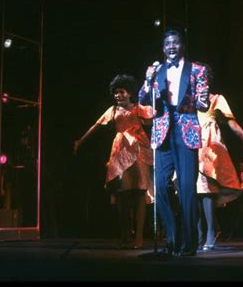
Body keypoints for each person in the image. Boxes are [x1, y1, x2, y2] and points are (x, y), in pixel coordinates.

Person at [139, 29, 209, 257]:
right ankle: (172, 237)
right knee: (160, 185)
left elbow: (203, 103)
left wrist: (195, 98)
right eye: (167, 43)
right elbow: (142, 98)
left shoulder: (197, 69)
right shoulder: (156, 71)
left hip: (186, 130)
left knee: (187, 188)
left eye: (175, 43)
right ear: (162, 48)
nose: (171, 47)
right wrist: (148, 80)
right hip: (162, 132)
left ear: (182, 46)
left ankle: (189, 243)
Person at [74, 74, 153, 249]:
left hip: (139, 150)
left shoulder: (139, 108)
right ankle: (124, 235)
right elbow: (96, 125)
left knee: (140, 192)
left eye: (122, 92)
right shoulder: (113, 110)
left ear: (130, 93)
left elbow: (154, 120)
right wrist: (81, 140)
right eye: (116, 93)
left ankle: (138, 237)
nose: (118, 95)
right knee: (122, 194)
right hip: (121, 152)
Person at [194, 63, 243, 251]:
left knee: (206, 188)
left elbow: (232, 124)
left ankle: (210, 231)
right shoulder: (188, 100)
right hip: (191, 144)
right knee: (194, 191)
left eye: (204, 79)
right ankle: (199, 232)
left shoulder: (217, 99)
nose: (201, 83)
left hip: (210, 145)